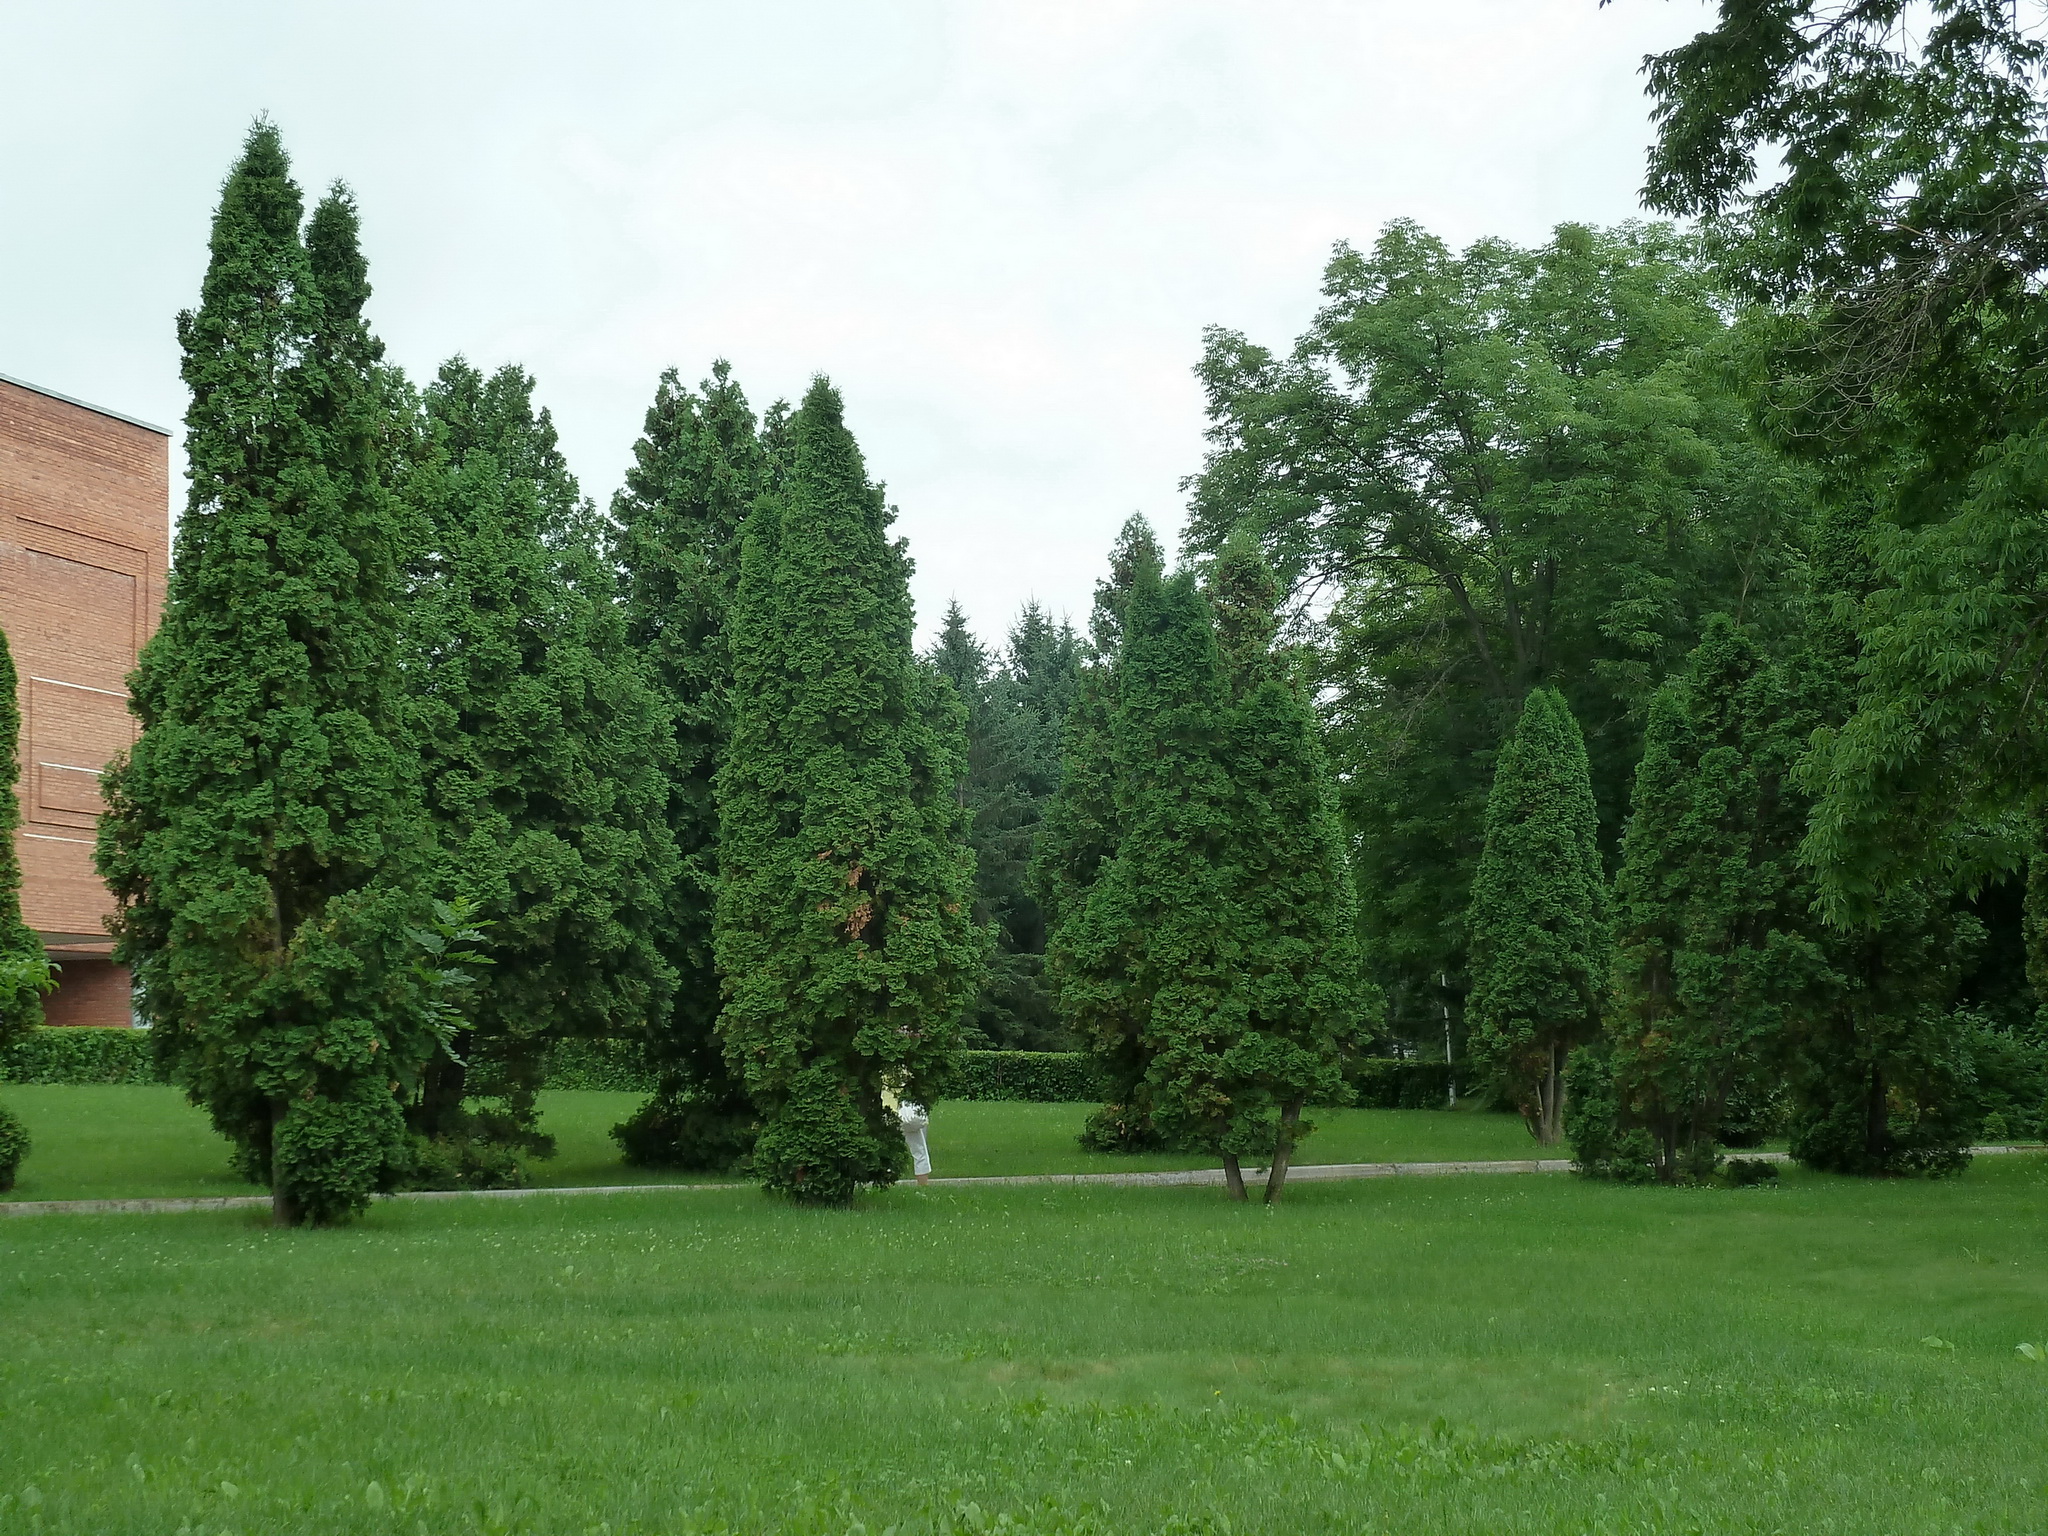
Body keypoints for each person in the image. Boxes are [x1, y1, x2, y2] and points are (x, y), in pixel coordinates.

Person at [883, 1086, 931, 1186]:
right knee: (919, 1150)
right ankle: (923, 1184)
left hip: (889, 1110)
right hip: (912, 1115)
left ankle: (886, 1184)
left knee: (888, 1149)